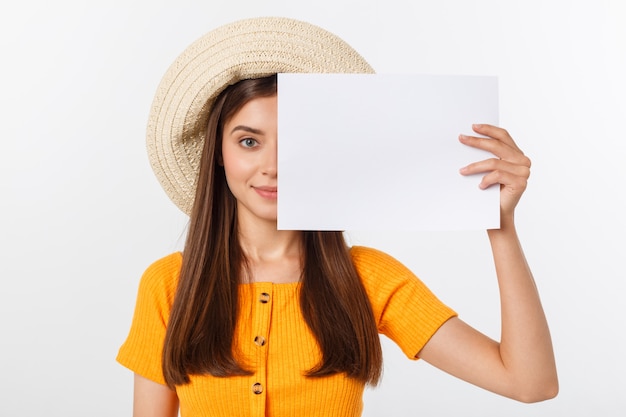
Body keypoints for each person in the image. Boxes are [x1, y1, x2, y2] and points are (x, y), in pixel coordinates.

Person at [117, 17, 558, 417]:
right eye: (249, 141)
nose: (272, 166)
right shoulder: (169, 286)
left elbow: (529, 383)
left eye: (292, 141)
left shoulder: (368, 279)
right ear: (218, 153)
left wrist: (500, 227)